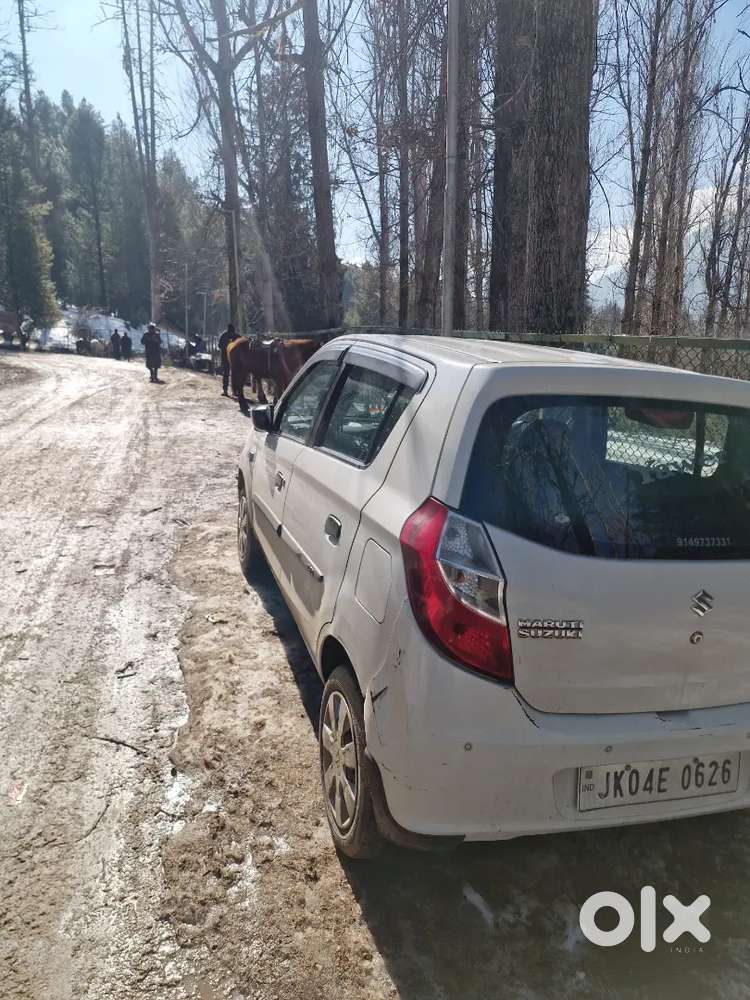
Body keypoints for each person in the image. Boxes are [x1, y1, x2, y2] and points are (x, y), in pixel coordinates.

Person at [218, 323, 236, 397]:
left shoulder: (224, 335)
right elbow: (220, 345)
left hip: (231, 358)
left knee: (228, 374)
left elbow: (219, 345)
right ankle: (230, 391)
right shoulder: (235, 336)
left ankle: (228, 391)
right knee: (230, 374)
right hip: (229, 358)